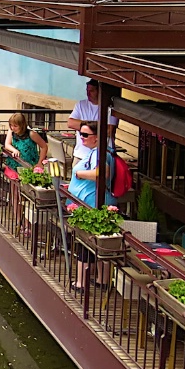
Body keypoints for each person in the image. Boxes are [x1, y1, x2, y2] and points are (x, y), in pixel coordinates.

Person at [66, 121, 117, 290]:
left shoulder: (101, 154)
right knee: (93, 243)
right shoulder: (94, 153)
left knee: (87, 243)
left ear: (97, 138)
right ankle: (102, 280)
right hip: (89, 205)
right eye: (81, 134)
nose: (81, 137)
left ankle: (81, 283)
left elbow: (103, 173)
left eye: (85, 135)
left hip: (92, 206)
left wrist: (79, 174)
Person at [67, 79, 117, 167]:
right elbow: (70, 123)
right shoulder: (81, 105)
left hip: (102, 155)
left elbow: (108, 130)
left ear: (99, 91)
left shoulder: (110, 108)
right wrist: (95, 125)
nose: (88, 93)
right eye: (87, 90)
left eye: (92, 91)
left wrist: (83, 125)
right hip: (81, 154)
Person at [3, 113, 48, 177]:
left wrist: (40, 162)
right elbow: (7, 144)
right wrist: (14, 150)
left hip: (29, 164)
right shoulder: (11, 131)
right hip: (15, 163)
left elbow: (44, 146)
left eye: (15, 126)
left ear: (22, 125)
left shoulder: (31, 134)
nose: (12, 128)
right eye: (11, 125)